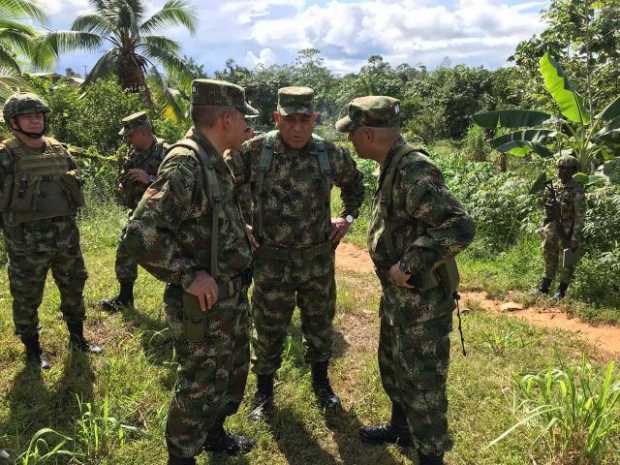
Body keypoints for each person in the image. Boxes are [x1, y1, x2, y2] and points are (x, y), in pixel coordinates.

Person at [122, 79, 258, 465]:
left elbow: (204, 215)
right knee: (199, 381)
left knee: (227, 371)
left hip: (226, 293)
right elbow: (140, 233)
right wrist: (188, 275)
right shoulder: (186, 162)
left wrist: (237, 229)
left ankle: (214, 435)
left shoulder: (212, 158)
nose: (247, 126)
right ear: (226, 118)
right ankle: (181, 457)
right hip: (202, 300)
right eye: (243, 118)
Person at [335, 96, 475, 465]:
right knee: (396, 368)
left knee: (424, 384)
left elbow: (459, 226)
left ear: (367, 134)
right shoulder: (391, 164)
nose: (350, 141)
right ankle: (401, 428)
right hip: (400, 297)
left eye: (353, 135)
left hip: (421, 301)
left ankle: (430, 455)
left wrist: (410, 264)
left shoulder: (413, 169)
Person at [226, 86, 365, 420]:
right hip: (271, 262)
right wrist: (240, 225)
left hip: (316, 261)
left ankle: (321, 384)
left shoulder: (328, 154)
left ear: (314, 118)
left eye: (305, 119)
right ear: (277, 118)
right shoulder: (255, 151)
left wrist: (346, 217)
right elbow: (221, 186)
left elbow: (356, 185)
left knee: (319, 325)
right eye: (290, 120)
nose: (298, 127)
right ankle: (263, 393)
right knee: (268, 327)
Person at [0, 92, 102, 370]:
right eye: (27, 116)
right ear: (13, 121)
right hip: (25, 245)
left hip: (66, 239)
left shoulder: (59, 150)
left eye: (39, 115)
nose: (35, 120)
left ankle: (77, 338)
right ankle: (32, 350)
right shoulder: (5, 156)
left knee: (74, 286)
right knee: (26, 296)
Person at [100, 111, 167, 311]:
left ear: (144, 132)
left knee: (173, 259)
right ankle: (125, 297)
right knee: (125, 250)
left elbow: (179, 186)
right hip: (138, 214)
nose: (127, 140)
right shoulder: (132, 154)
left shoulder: (167, 152)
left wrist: (149, 180)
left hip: (164, 216)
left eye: (130, 135)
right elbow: (124, 180)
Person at [538, 155, 585, 299]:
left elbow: (580, 216)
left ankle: (561, 291)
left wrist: (574, 237)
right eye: (559, 167)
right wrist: (543, 226)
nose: (560, 171)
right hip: (552, 229)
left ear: (572, 171)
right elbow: (547, 209)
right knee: (549, 256)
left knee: (566, 261)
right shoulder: (555, 187)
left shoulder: (576, 190)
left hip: (567, 230)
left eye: (564, 168)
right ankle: (544, 287)